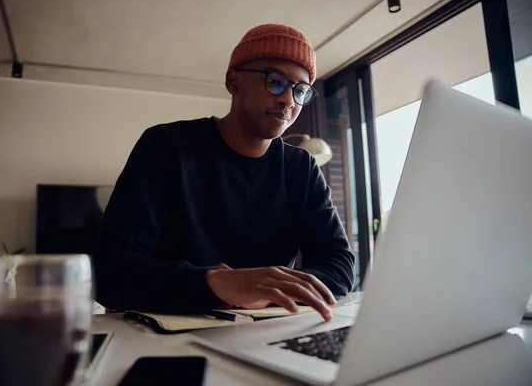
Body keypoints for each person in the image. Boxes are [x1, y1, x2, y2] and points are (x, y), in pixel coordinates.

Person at [93, 24, 355, 321]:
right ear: (233, 82)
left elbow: (340, 265)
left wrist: (269, 294)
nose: (288, 100)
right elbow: (111, 272)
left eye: (300, 90)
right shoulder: (166, 147)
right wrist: (215, 283)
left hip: (263, 333)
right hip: (166, 337)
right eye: (275, 82)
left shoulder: (302, 168)